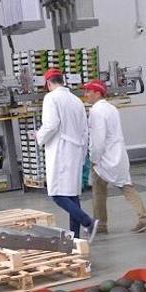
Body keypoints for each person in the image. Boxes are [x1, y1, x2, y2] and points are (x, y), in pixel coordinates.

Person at [36, 68, 98, 242]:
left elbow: (51, 125)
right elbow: (85, 129)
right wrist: (84, 151)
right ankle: (75, 239)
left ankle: (88, 222)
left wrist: (39, 136)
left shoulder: (51, 98)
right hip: (75, 150)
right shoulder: (76, 100)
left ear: (49, 83)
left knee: (57, 194)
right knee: (71, 195)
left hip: (60, 151)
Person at [82, 80, 146, 234]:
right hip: (118, 155)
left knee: (98, 192)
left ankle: (100, 225)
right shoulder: (111, 108)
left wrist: (93, 157)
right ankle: (143, 217)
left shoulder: (96, 112)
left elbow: (98, 139)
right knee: (127, 187)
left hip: (104, 158)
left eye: (88, 91)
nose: (86, 95)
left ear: (98, 92)